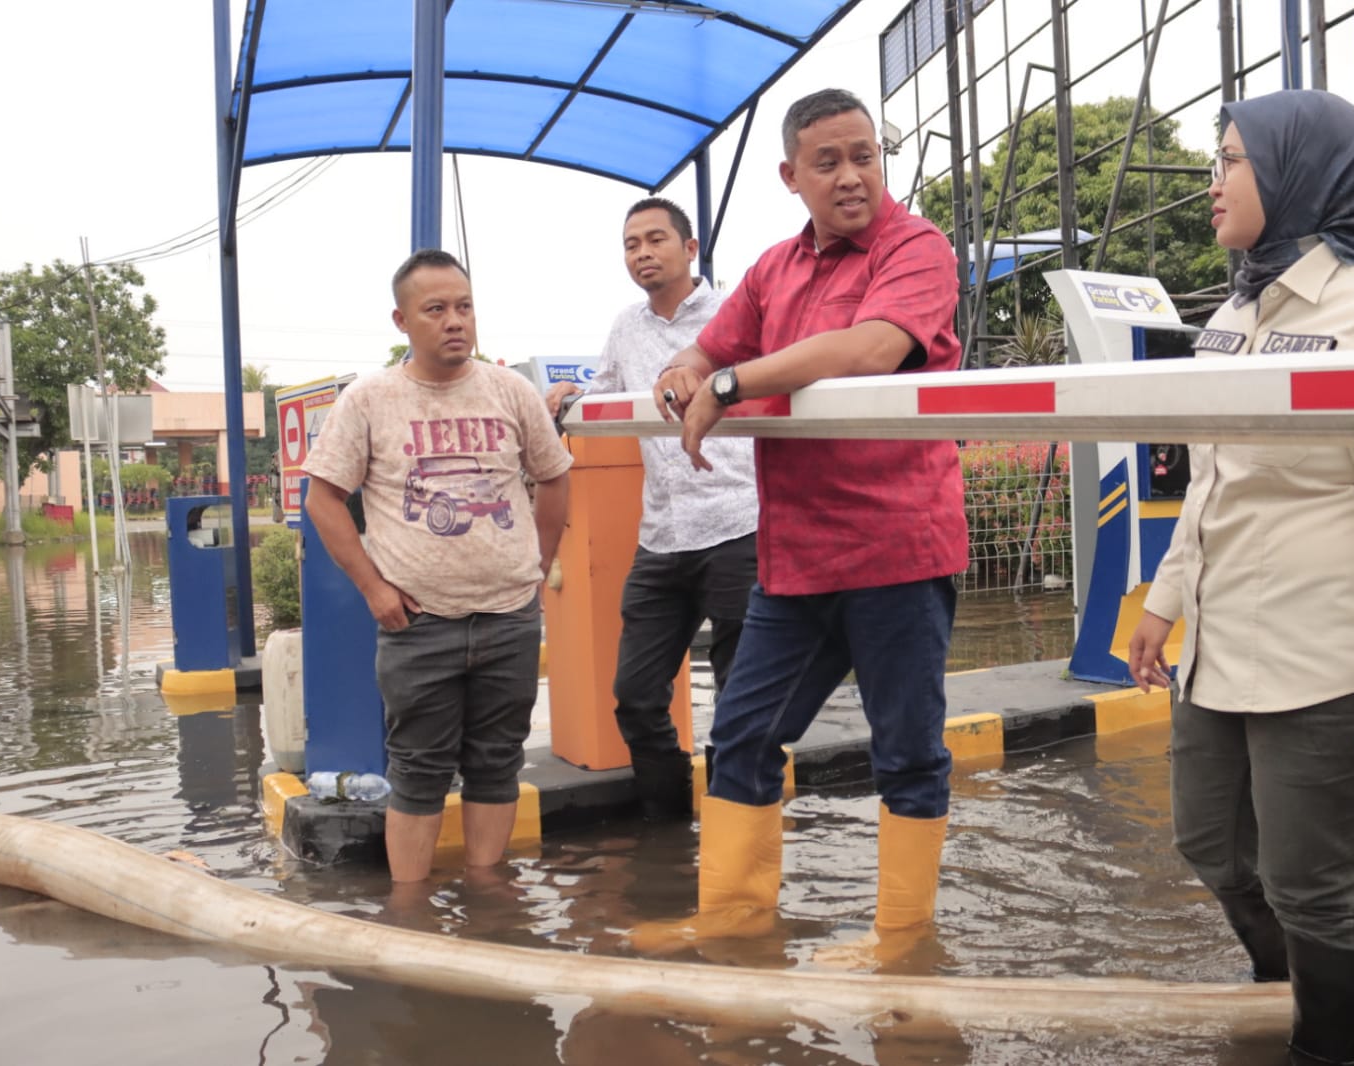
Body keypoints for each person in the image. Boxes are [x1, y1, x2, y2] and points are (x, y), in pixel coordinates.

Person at [1127, 90, 1354, 1065]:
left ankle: (1336, 1047)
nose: (1214, 180)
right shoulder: (1234, 315)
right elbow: (1210, 479)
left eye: (1232, 159)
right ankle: (1287, 990)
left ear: (1296, 170)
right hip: (1219, 650)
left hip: (1329, 664)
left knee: (1317, 882)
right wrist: (1163, 601)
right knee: (1211, 847)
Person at [628, 88, 967, 961]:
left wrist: (731, 384)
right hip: (797, 556)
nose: (851, 176)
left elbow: (873, 347)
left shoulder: (916, 246)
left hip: (898, 546)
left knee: (907, 751)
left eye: (864, 155)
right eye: (828, 161)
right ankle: (734, 919)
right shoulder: (774, 269)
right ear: (791, 175)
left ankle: (900, 939)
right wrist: (684, 366)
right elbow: (709, 346)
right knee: (740, 734)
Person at [303, 248, 572, 884]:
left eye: (464, 306)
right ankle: (410, 908)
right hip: (417, 624)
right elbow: (324, 500)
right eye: (436, 310)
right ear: (402, 321)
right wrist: (373, 588)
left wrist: (540, 565)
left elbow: (554, 478)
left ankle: (486, 894)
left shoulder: (512, 392)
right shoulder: (369, 400)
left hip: (509, 617)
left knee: (497, 763)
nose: (455, 321)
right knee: (417, 771)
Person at [544, 198, 757, 822]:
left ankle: (733, 825)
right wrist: (571, 394)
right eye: (631, 243)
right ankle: (670, 834)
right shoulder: (625, 327)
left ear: (690, 249)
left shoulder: (733, 313)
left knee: (739, 697)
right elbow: (609, 394)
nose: (642, 252)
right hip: (662, 535)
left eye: (656, 239)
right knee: (635, 697)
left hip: (737, 523)